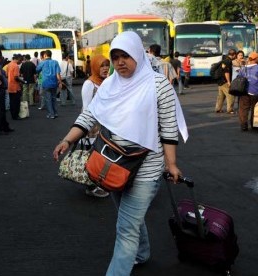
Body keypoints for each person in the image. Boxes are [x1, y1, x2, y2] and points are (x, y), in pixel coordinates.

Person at [52, 31, 188, 275]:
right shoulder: (111, 84)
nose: (119, 62)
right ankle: (142, 252)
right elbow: (90, 114)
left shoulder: (158, 86)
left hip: (146, 167)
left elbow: (169, 128)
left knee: (126, 226)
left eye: (125, 56)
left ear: (137, 53)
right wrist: (67, 139)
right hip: (111, 163)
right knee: (129, 217)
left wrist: (172, 164)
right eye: (115, 58)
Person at [80, 55, 110, 198]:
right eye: (102, 66)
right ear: (95, 67)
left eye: (107, 65)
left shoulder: (107, 82)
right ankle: (90, 186)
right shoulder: (89, 84)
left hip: (105, 126)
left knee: (101, 157)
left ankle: (98, 184)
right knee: (91, 157)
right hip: (92, 127)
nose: (105, 69)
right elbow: (87, 109)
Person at [36, 49, 62, 119]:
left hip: (46, 83)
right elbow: (58, 74)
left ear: (45, 55)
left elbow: (37, 70)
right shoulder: (55, 62)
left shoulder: (43, 62)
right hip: (54, 83)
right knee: (54, 98)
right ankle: (55, 113)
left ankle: (51, 114)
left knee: (48, 99)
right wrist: (60, 82)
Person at [237, 51, 258, 131]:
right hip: (256, 92)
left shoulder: (244, 68)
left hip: (244, 91)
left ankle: (243, 125)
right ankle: (254, 125)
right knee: (255, 109)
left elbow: (239, 77)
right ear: (256, 59)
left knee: (243, 109)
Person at [215, 49, 236, 114]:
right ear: (234, 55)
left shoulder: (224, 60)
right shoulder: (228, 61)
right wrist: (229, 82)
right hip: (225, 81)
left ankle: (218, 108)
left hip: (220, 81)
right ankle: (230, 110)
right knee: (230, 95)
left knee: (221, 96)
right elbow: (226, 72)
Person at [6, 54, 23, 120]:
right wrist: (22, 81)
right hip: (16, 87)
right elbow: (16, 77)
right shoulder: (16, 66)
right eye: (20, 60)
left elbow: (7, 76)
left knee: (12, 102)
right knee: (16, 102)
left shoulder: (9, 65)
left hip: (10, 86)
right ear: (18, 59)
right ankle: (16, 115)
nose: (21, 62)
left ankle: (13, 115)